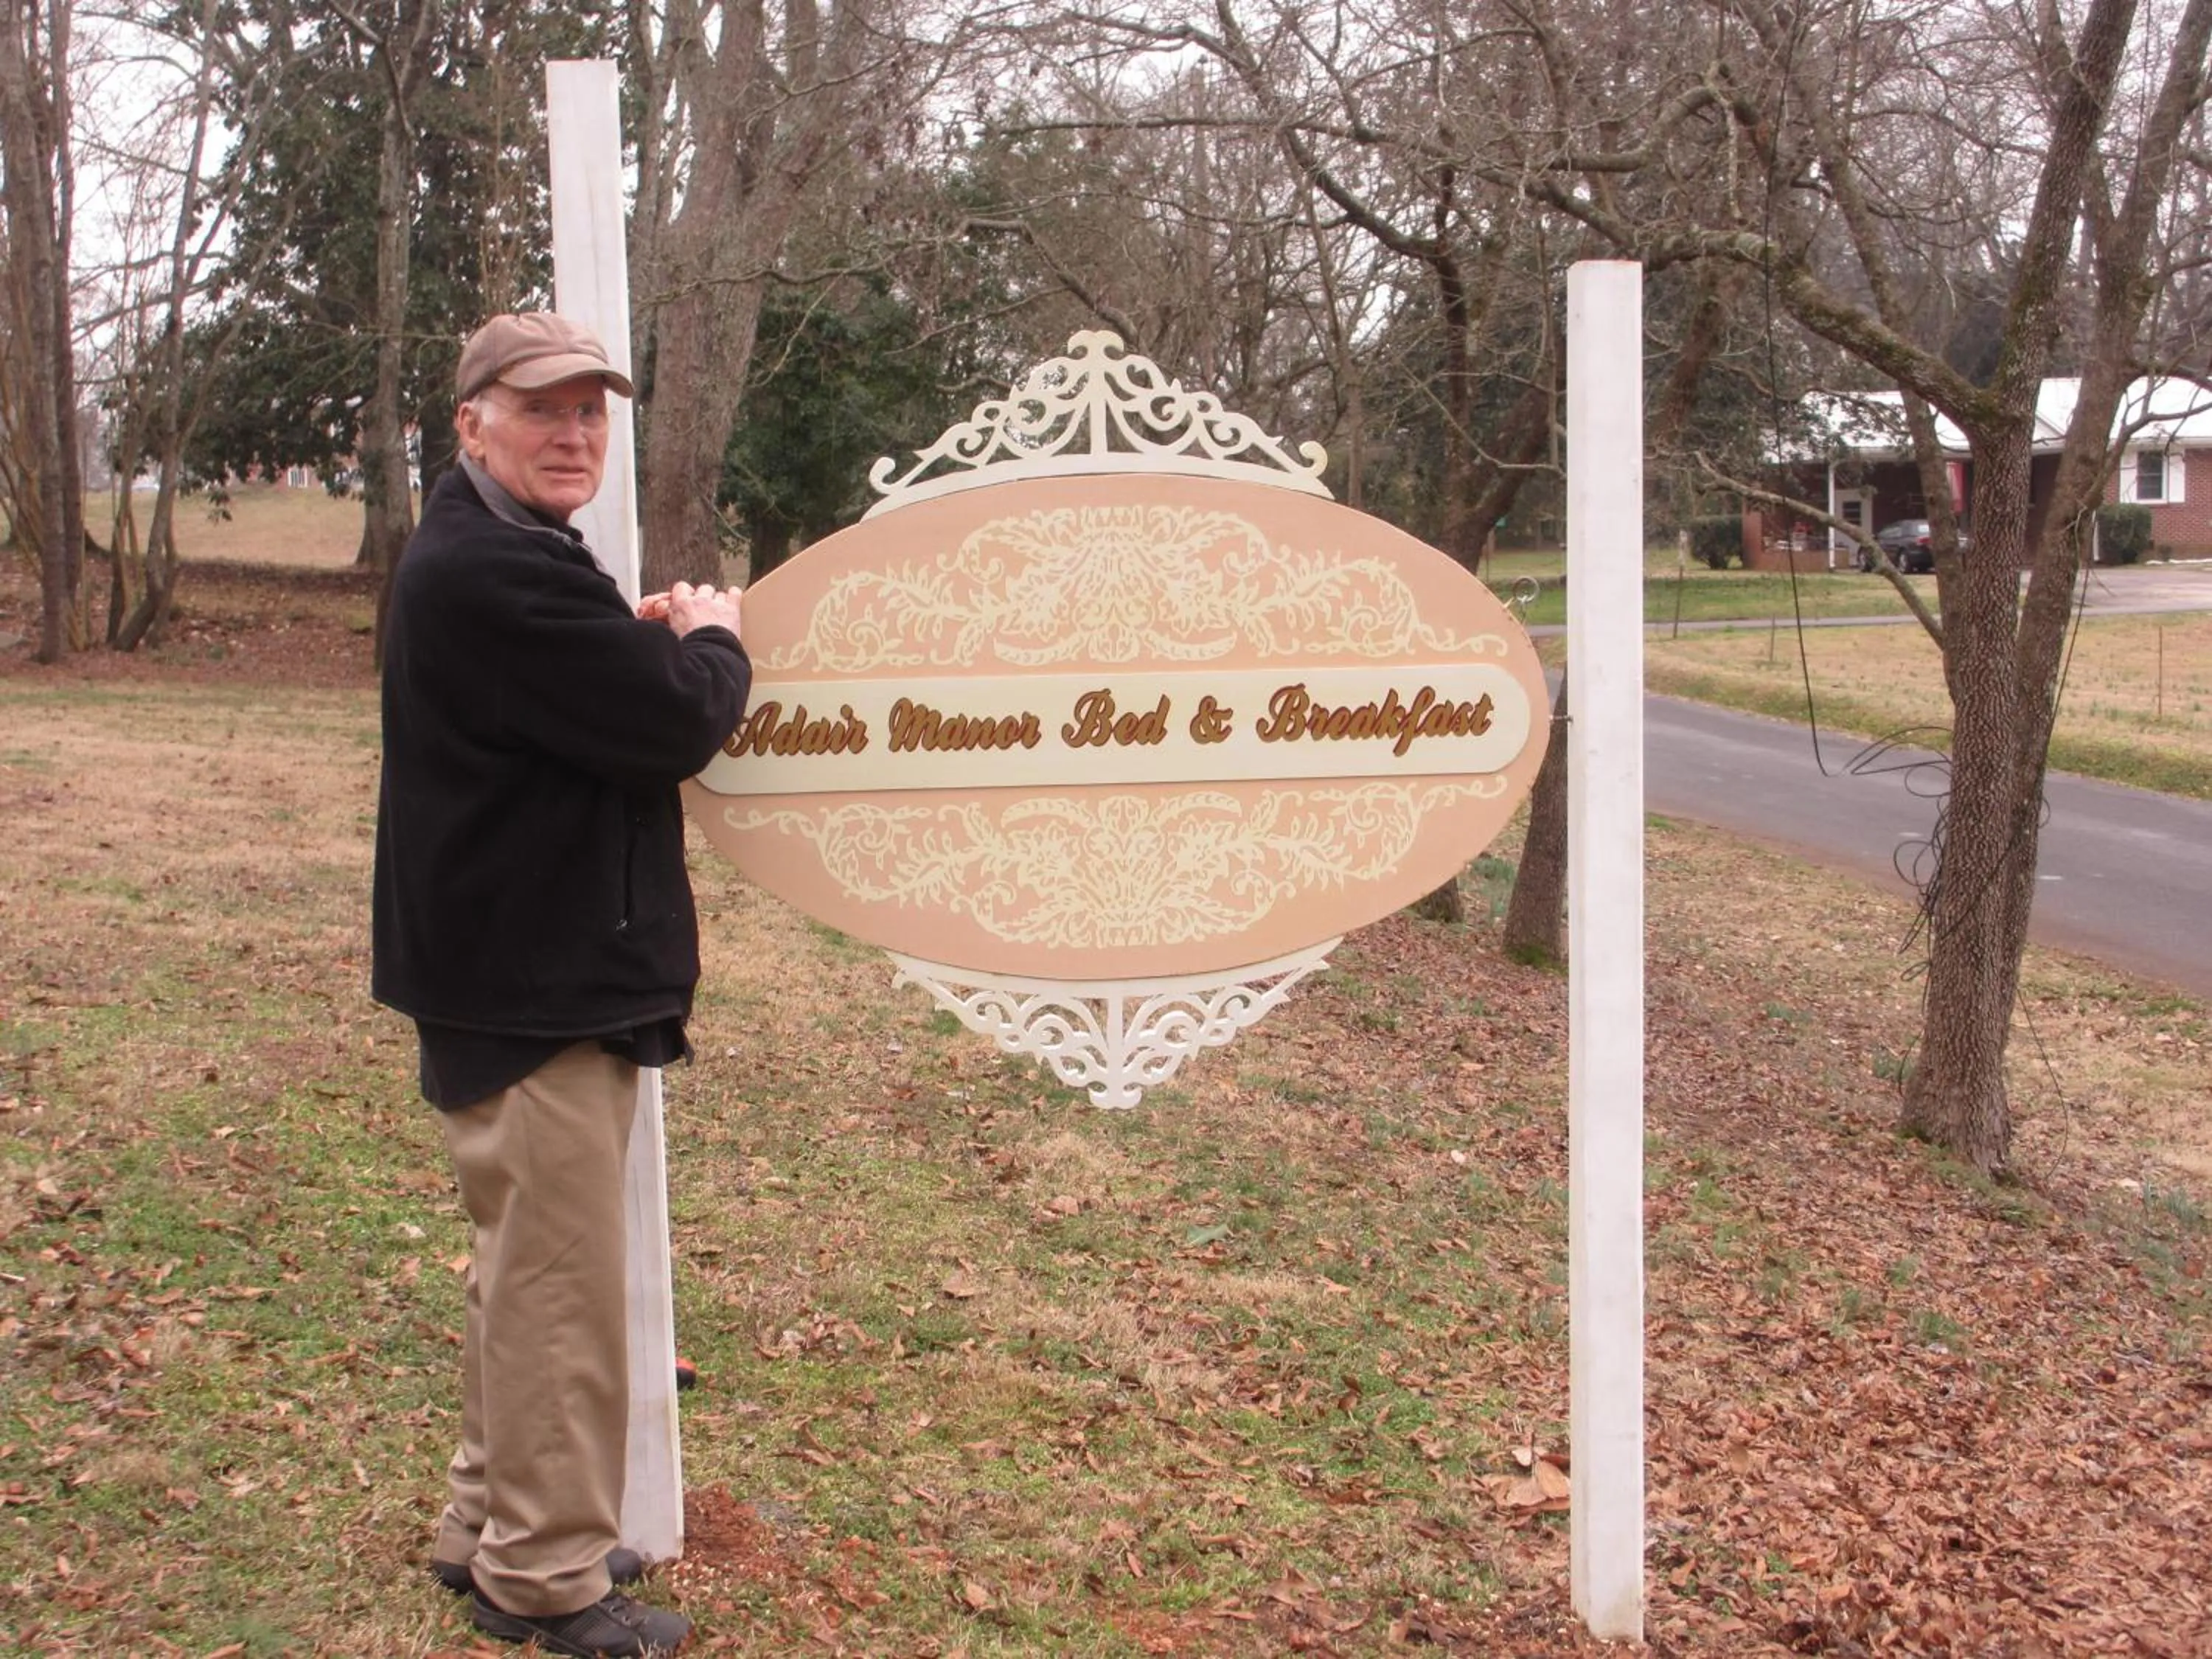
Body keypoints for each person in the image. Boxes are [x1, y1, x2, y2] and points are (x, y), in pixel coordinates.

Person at [372, 312, 748, 1658]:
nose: (574, 433)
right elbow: (672, 717)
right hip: (533, 989)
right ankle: (541, 1576)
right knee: (556, 1295)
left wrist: (628, 638)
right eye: (542, 408)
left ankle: (489, 1521)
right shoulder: (495, 569)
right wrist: (713, 641)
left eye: (591, 410)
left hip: (511, 972)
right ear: (471, 422)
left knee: (521, 1272)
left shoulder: (499, 553)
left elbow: (568, 691)